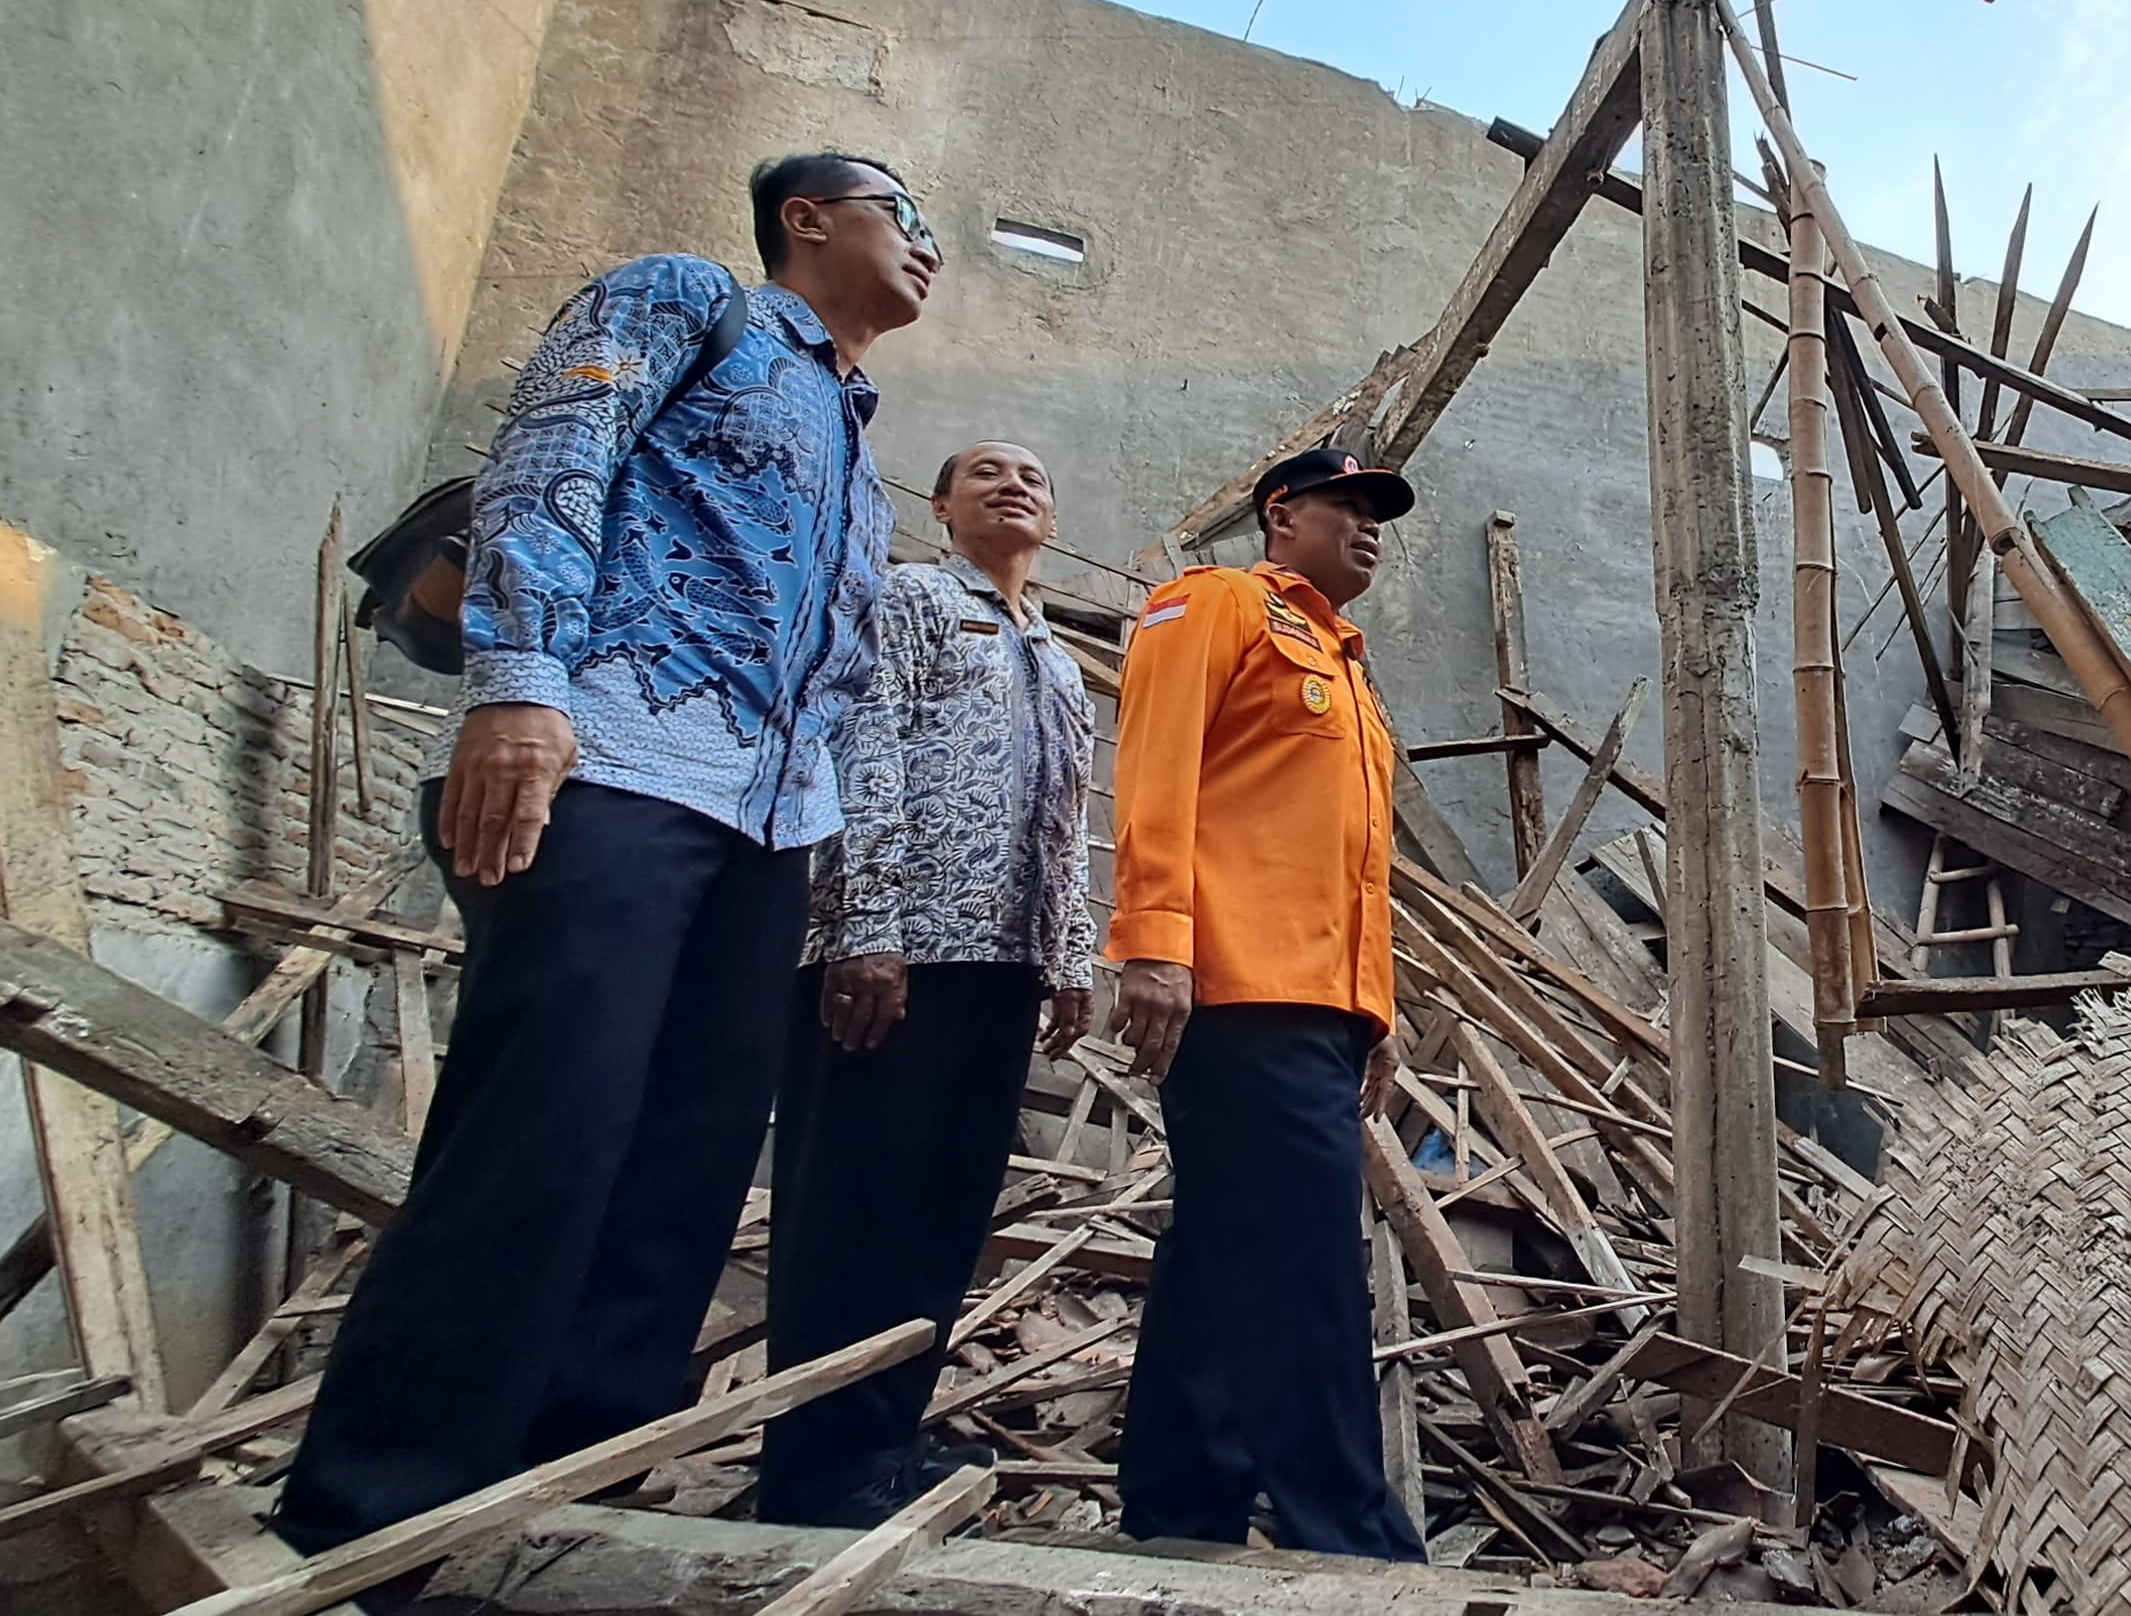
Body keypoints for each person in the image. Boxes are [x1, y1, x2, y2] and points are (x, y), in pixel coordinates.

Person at [274, 154, 937, 1560]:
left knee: (685, 1167)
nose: (930, 245)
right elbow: (551, 462)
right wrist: (518, 687)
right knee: (543, 1131)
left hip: (767, 831)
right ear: (807, 220)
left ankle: (571, 1508)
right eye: (905, 214)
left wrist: (837, 866)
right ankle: (378, 1525)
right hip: (615, 765)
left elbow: (843, 675)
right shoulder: (690, 302)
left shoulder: (859, 447)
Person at [758, 440, 1103, 1526]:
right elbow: (861, 750)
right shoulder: (907, 597)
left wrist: (1070, 959)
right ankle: (814, 1469)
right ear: (945, 506)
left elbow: (1067, 818)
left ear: (1051, 519)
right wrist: (865, 928)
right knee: (854, 1210)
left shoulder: (1055, 654)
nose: (1015, 486)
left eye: (1035, 478)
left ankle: (885, 1438)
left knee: (942, 1211)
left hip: (1001, 967)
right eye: (987, 473)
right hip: (896, 958)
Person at [1105, 446, 1424, 1562]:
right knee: (1307, 1269)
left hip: (1318, 1009)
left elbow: (1354, 867)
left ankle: (1178, 1506)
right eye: (1351, 505)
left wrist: (1373, 1017)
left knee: (1223, 1254)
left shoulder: (1349, 675)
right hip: (1237, 989)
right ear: (1282, 513)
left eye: (1382, 513)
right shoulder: (1214, 605)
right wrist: (1152, 945)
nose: (1372, 526)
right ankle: (1352, 1538)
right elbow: (1155, 772)